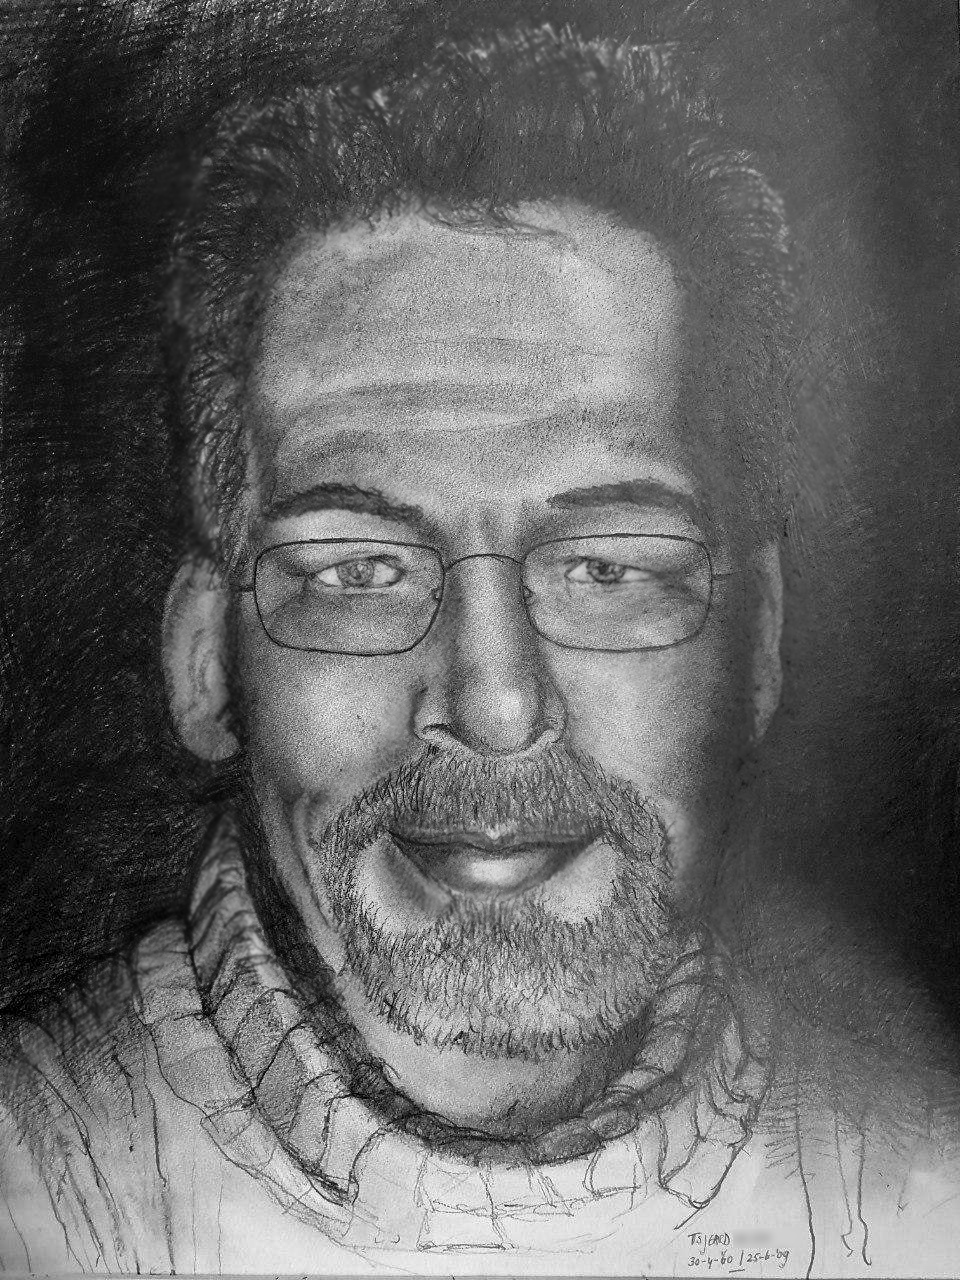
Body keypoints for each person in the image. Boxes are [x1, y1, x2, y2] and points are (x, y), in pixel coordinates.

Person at [1, 23, 957, 1276]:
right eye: (359, 572)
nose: (497, 703)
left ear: (759, 645)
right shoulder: (34, 1184)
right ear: (204, 660)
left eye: (607, 567)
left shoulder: (923, 1177)